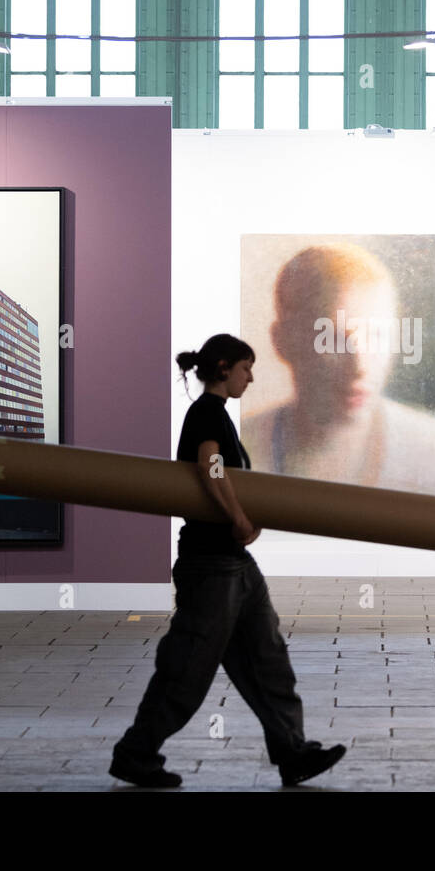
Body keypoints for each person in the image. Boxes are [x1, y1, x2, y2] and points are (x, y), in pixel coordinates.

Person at [109, 333, 346, 789]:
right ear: (223, 368)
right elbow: (210, 466)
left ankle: (293, 752)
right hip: (211, 565)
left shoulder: (217, 416)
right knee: (189, 666)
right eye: (245, 368)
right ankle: (135, 753)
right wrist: (238, 518)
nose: (251, 378)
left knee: (268, 659)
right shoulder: (206, 415)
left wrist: (243, 524)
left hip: (234, 564)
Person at [243, 244, 435, 492]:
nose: (361, 367)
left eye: (377, 336)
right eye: (333, 338)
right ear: (283, 341)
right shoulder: (238, 449)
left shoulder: (434, 452)